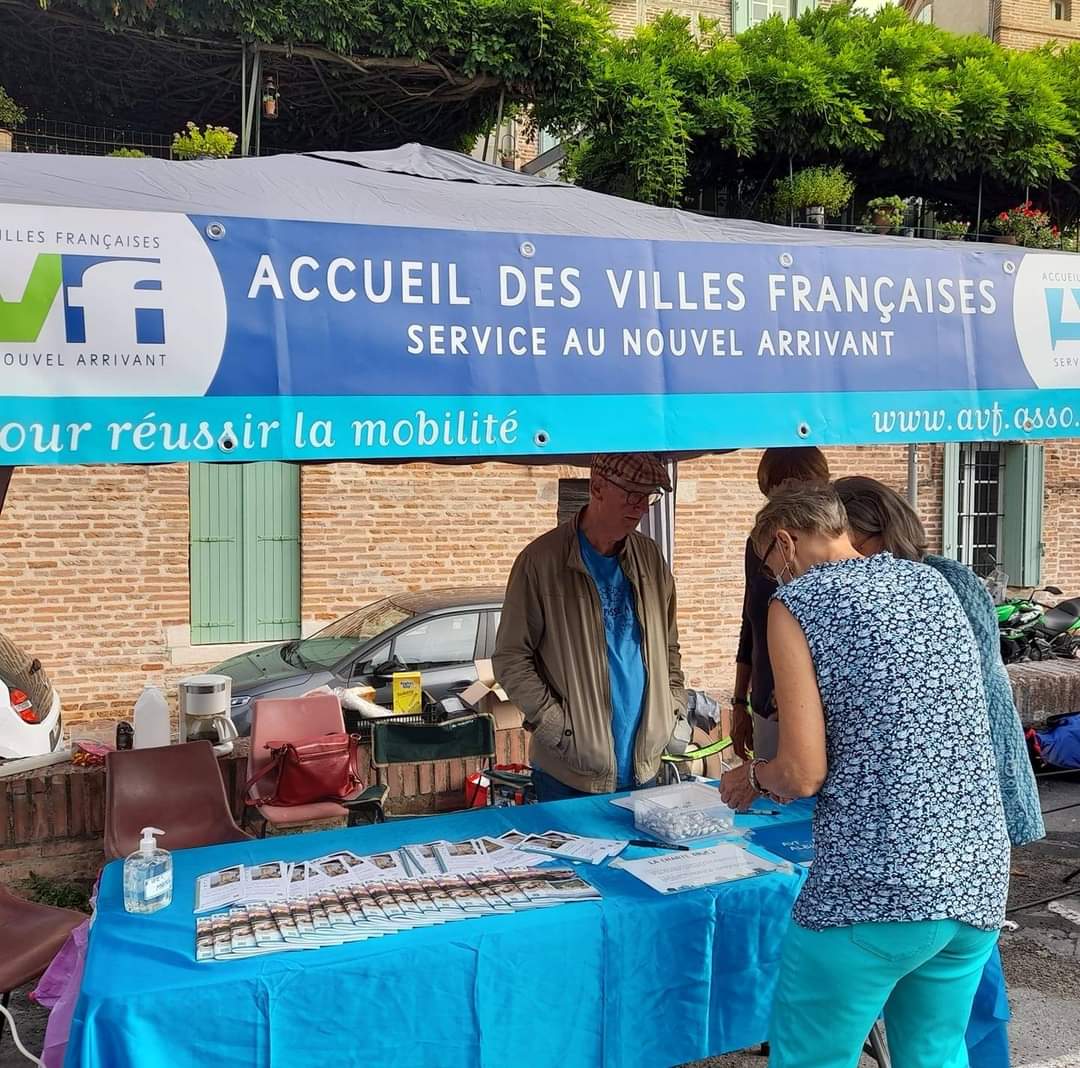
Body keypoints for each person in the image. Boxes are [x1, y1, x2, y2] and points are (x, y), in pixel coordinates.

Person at [721, 482, 1009, 1068]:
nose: (773, 576)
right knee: (935, 1054)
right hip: (975, 877)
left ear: (785, 543)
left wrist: (752, 778)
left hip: (876, 887)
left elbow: (802, 773)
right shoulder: (930, 582)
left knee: (811, 1057)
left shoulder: (797, 602)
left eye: (770, 564)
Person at [836, 474, 1045, 848]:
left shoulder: (940, 578)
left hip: (972, 749)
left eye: (850, 544)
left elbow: (964, 674)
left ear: (879, 533)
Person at [493, 452, 686, 801]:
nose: (641, 508)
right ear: (597, 487)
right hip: (569, 770)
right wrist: (555, 725)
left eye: (648, 496)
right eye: (632, 494)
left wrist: (674, 707)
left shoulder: (650, 558)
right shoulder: (540, 561)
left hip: (644, 763)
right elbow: (511, 658)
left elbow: (669, 647)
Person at [732, 447, 830, 762]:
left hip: (819, 713)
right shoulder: (759, 545)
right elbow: (751, 623)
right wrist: (739, 702)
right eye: (774, 498)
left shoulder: (834, 555)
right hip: (765, 703)